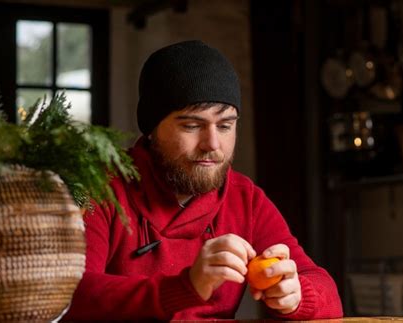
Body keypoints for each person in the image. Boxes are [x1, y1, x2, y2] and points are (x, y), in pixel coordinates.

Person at [63, 40, 343, 320]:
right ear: (151, 128)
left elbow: (326, 292)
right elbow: (72, 294)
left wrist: (297, 295)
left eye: (225, 126)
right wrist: (186, 288)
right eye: (192, 126)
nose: (212, 144)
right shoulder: (98, 186)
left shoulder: (246, 198)